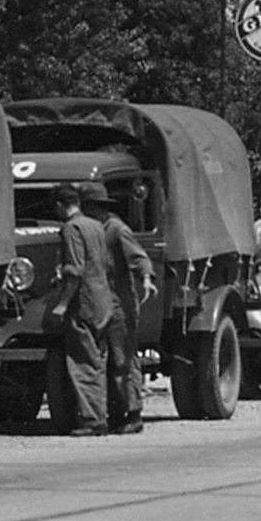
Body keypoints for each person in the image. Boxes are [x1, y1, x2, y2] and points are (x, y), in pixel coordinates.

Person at [81, 181, 156, 434]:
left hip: (120, 304)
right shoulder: (90, 231)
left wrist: (146, 278)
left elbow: (139, 257)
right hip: (99, 302)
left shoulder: (115, 229)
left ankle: (133, 413)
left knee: (123, 359)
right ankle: (114, 412)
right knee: (104, 360)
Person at [51, 181, 115, 438]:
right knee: (98, 361)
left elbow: (74, 270)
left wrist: (63, 303)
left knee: (83, 363)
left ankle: (93, 420)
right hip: (103, 301)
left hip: (85, 304)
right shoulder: (97, 226)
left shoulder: (72, 228)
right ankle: (100, 414)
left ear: (59, 205)